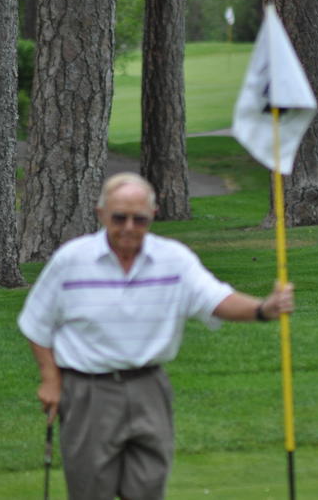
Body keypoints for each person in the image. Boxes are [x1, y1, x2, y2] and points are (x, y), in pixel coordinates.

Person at [18, 172, 294, 500]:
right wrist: (50, 380)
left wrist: (263, 308)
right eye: (119, 218)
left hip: (149, 387)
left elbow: (216, 299)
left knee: (148, 488)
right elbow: (36, 323)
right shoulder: (71, 260)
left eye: (140, 219)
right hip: (88, 391)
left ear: (153, 215)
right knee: (90, 490)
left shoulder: (173, 259)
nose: (129, 227)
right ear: (101, 213)